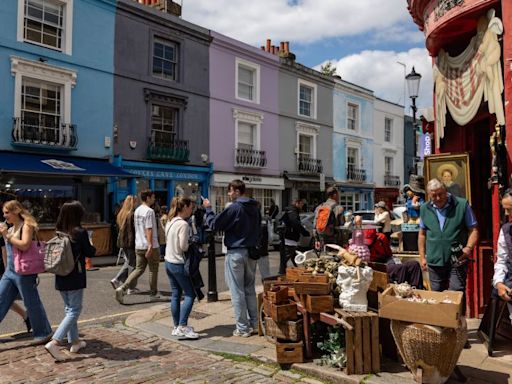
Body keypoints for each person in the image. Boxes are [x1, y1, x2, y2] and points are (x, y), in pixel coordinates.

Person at [203, 179, 261, 337]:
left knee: (237, 291)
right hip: (251, 252)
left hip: (236, 252)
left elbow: (214, 225)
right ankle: (255, 324)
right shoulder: (255, 207)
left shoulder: (235, 207)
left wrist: (208, 209)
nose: (229, 194)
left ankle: (242, 328)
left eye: (230, 191)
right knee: (249, 289)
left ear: (237, 191)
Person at [44, 201, 96, 361]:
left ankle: (75, 342)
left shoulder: (60, 232)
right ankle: (55, 342)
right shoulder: (79, 232)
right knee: (74, 310)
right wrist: (90, 241)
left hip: (60, 275)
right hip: (75, 275)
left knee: (69, 309)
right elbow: (90, 252)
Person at [0, 200, 52, 344]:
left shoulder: (26, 226)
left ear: (16, 211)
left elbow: (24, 245)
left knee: (31, 303)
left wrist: (7, 235)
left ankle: (44, 333)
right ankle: (43, 332)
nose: (4, 216)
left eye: (7, 212)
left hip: (24, 271)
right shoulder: (10, 229)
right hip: (10, 272)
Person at [418, 178, 479, 297]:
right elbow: (422, 234)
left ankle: (456, 316)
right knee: (436, 294)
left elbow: (474, 230)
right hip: (434, 259)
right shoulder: (424, 208)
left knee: (456, 292)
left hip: (457, 258)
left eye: (440, 194)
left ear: (446, 191)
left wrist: (468, 248)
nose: (438, 198)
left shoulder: (461, 205)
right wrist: (422, 257)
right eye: (434, 196)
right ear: (429, 195)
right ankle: (439, 317)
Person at [116, 190, 161, 304]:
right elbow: (149, 229)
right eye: (153, 197)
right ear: (148, 198)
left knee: (139, 269)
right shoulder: (149, 211)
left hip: (139, 245)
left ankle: (122, 288)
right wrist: (150, 245)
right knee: (153, 270)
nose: (154, 199)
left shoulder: (137, 211)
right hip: (150, 245)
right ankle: (153, 294)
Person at [164, 196, 199, 339]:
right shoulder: (183, 224)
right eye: (191, 207)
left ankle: (176, 326)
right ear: (184, 207)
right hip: (178, 263)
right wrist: (192, 242)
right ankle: (183, 326)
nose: (191, 210)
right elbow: (183, 246)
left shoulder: (170, 221)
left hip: (168, 261)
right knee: (190, 294)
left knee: (175, 294)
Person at [0, 227, 31, 333]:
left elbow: (4, 249)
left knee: (5, 298)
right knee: (6, 298)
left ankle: (28, 316)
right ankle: (26, 316)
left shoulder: (2, 228)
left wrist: (7, 270)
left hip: (3, 270)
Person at [111, 195, 139, 294]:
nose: (137, 203)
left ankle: (127, 285)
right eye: (135, 202)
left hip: (124, 242)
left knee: (129, 262)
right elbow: (132, 231)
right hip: (130, 243)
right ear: (132, 203)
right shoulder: (131, 214)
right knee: (133, 265)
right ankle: (119, 280)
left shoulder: (121, 214)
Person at [492, 189, 512, 323]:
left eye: (509, 209)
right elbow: (502, 260)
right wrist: (498, 282)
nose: (506, 214)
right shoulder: (506, 230)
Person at [279, 199, 309, 275]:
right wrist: (304, 232)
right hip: (290, 239)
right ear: (297, 203)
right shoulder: (292, 211)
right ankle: (282, 275)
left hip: (288, 238)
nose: (302, 206)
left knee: (294, 258)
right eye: (301, 204)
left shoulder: (289, 211)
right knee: (285, 259)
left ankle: (297, 272)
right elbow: (295, 223)